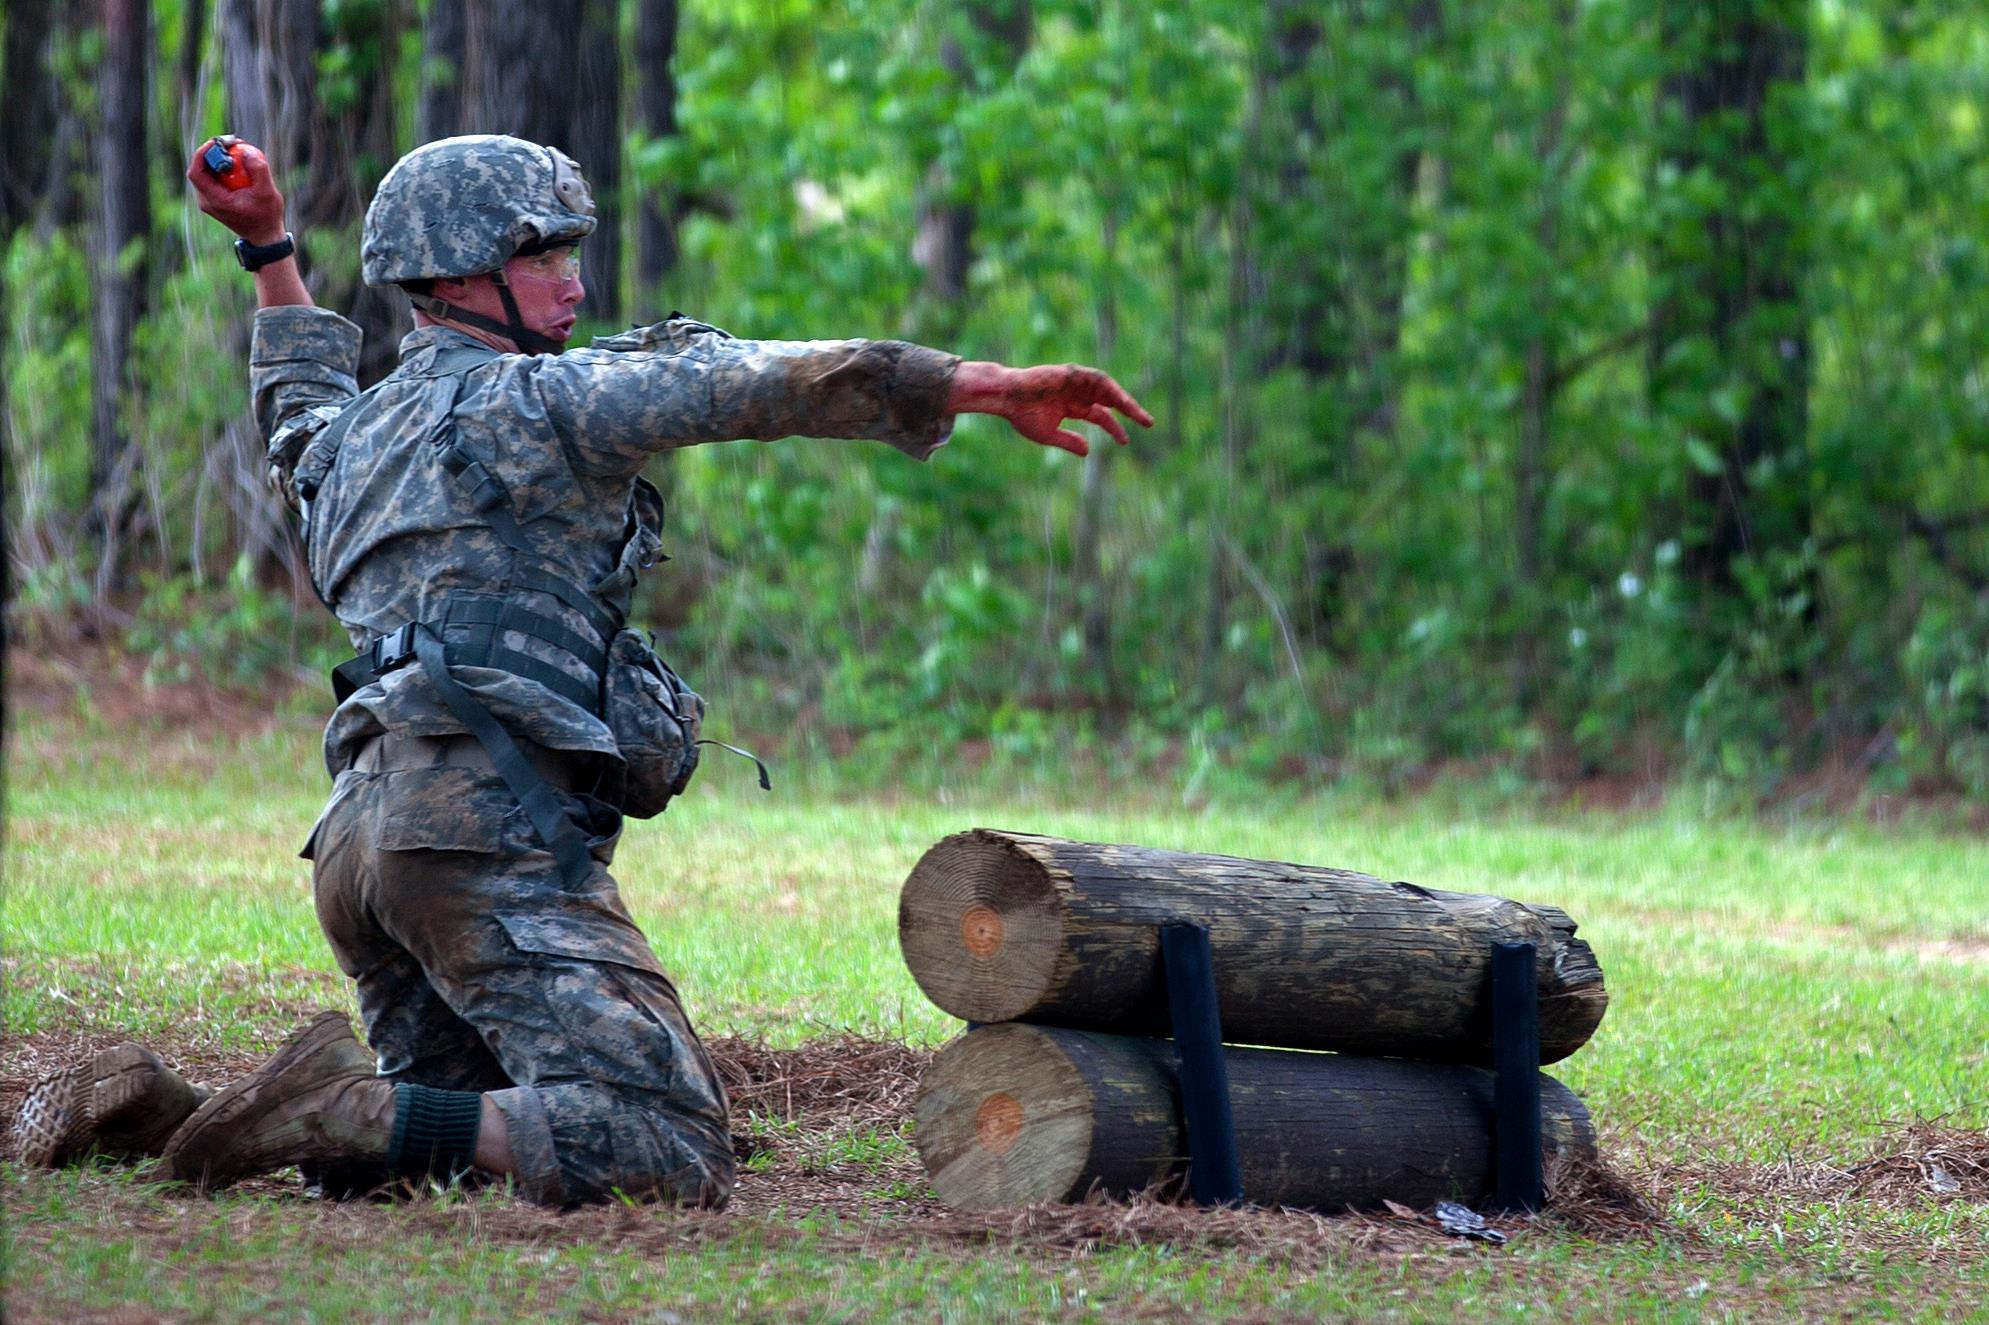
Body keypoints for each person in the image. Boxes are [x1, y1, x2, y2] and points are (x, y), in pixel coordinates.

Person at [11, 134, 1150, 1208]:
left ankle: (176, 1114)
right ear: (457, 275)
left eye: (569, 251)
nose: (570, 281)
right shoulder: (543, 402)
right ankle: (338, 1108)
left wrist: (266, 246)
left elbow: (295, 397)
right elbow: (743, 384)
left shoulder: (351, 445)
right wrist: (970, 384)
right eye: (540, 254)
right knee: (662, 1142)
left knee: (443, 1129)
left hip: (362, 848)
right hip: (474, 839)